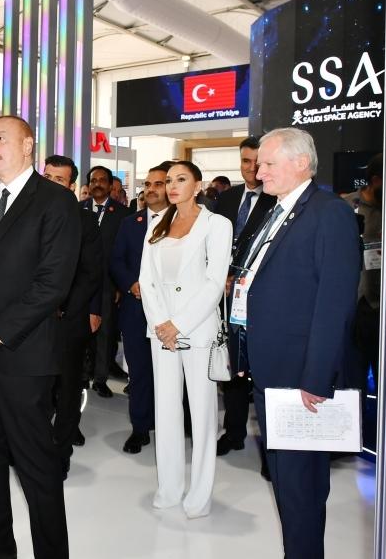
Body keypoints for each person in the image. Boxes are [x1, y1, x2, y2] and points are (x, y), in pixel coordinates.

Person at [0, 115, 80, 559]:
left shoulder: (56, 201)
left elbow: (52, 284)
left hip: (23, 357)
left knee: (37, 468)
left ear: (28, 145)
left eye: (1, 138)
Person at [242, 128, 360, 559]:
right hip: (272, 370)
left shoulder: (329, 213)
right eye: (259, 164)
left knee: (301, 490)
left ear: (301, 163)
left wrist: (315, 379)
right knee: (288, 485)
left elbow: (334, 303)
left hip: (300, 380)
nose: (259, 172)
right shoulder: (279, 210)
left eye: (268, 164)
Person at [138, 160, 232, 518]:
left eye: (180, 179)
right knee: (165, 411)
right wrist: (162, 323)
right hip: (161, 331)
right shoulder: (157, 226)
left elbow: (214, 282)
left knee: (203, 414)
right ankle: (169, 487)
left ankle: (199, 496)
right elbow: (146, 280)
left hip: (198, 330)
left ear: (198, 185)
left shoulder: (217, 225)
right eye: (168, 180)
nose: (172, 186)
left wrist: (178, 324)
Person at [213, 137, 277, 460]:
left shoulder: (276, 198)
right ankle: (234, 432)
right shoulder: (227, 198)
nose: (251, 168)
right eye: (245, 161)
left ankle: (271, 448)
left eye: (256, 161)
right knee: (233, 364)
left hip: (261, 295)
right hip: (226, 296)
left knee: (265, 370)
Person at [41, 154, 102, 477]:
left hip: (68, 317)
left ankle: (60, 451)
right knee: (35, 388)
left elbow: (91, 272)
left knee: (67, 389)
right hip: (29, 321)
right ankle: (33, 446)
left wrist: (63, 307)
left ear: (71, 186)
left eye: (59, 179)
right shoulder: (25, 214)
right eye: (47, 177)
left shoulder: (85, 221)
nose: (52, 184)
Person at [110, 162, 171, 454]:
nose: (151, 189)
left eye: (158, 184)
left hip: (172, 313)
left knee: (171, 373)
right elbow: (116, 261)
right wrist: (130, 284)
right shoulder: (130, 223)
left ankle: (172, 423)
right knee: (140, 371)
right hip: (136, 310)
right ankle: (140, 428)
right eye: (147, 184)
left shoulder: (184, 222)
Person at [81, 165, 128, 396]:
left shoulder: (122, 214)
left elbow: (124, 252)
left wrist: (120, 284)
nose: (97, 184)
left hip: (108, 282)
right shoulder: (78, 208)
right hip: (80, 282)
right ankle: (82, 375)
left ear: (110, 185)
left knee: (105, 332)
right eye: (93, 180)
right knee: (81, 330)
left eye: (102, 180)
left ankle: (100, 379)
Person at [344, 153, 382, 393]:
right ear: (375, 180)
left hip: (385, 307)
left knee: (385, 376)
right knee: (353, 379)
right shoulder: (347, 205)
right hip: (355, 304)